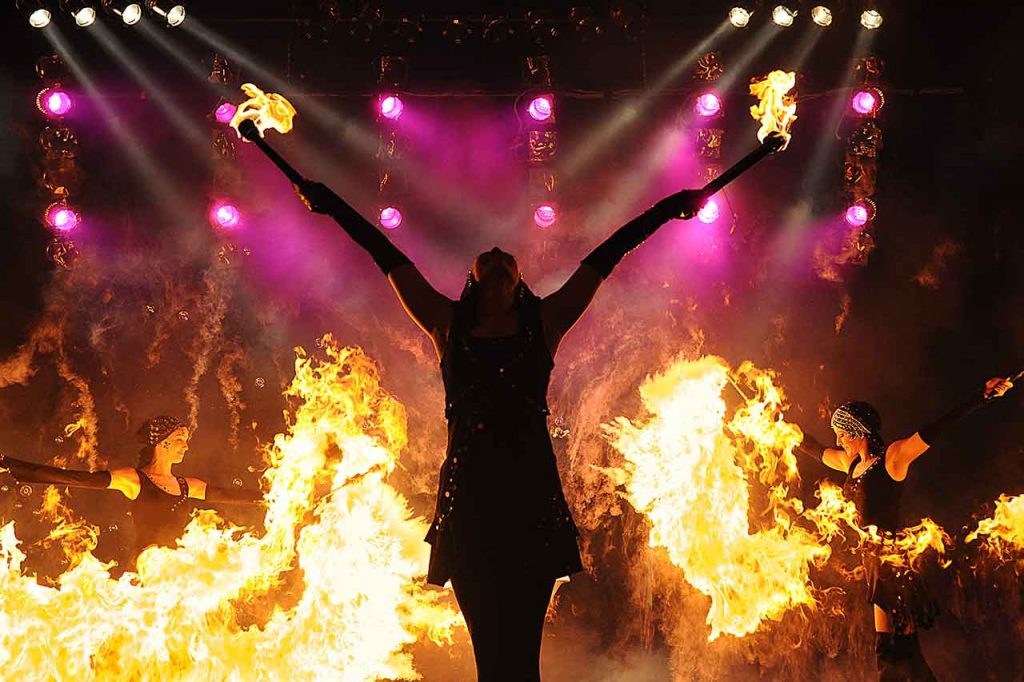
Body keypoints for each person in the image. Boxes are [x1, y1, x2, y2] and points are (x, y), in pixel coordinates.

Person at [295, 179, 706, 680]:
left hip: (530, 502)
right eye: (486, 256)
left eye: (505, 257)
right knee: (491, 658)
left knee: (521, 660)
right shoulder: (446, 324)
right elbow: (385, 254)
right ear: (472, 277)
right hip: (469, 506)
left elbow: (608, 253)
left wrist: (667, 207)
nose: (493, 254)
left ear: (519, 279)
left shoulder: (546, 322)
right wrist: (332, 203)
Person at [795, 376, 1015, 681]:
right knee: (901, 650)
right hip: (872, 563)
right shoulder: (850, 464)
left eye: (842, 434)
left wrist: (983, 396)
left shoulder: (893, 459)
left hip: (892, 563)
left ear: (859, 431)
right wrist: (779, 422)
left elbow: (938, 427)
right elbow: (814, 449)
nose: (839, 442)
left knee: (891, 650)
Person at [1, 415, 262, 563]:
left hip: (181, 572)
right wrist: (11, 465)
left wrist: (275, 498)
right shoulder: (135, 480)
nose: (186, 445)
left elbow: (230, 495)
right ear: (162, 444)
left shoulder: (187, 485)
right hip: (145, 572)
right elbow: (77, 479)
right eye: (179, 439)